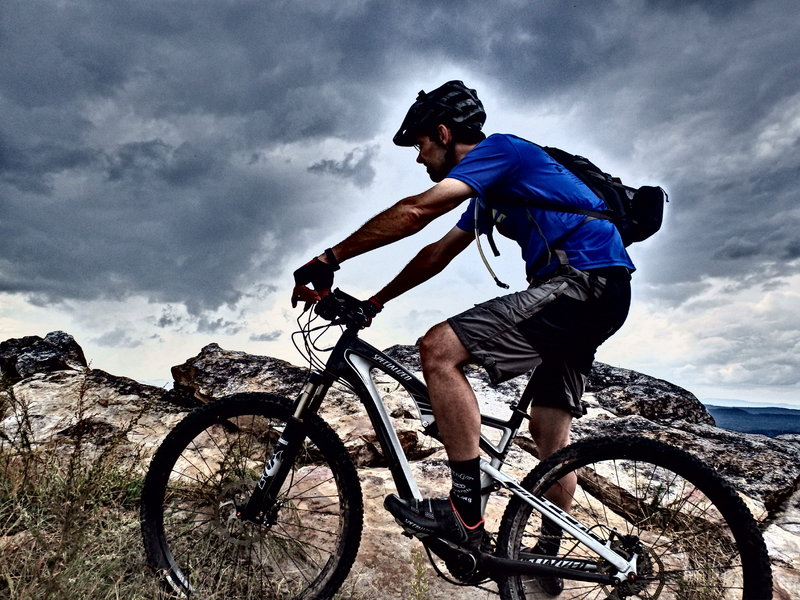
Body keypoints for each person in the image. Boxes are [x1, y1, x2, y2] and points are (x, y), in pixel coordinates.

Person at [291, 80, 633, 594]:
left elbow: (417, 211)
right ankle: (540, 561)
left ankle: (464, 514)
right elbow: (438, 251)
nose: (418, 157)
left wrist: (329, 258)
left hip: (580, 283)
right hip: (601, 291)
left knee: (438, 349)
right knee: (550, 437)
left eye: (420, 145)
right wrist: (374, 302)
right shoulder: (496, 189)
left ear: (444, 133)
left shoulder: (504, 152)